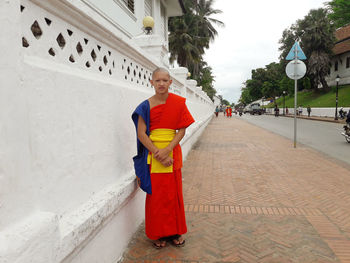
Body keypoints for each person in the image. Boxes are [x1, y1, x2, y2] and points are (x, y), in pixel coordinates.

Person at [132, 67, 194, 249]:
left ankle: (175, 232)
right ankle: (157, 234)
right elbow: (141, 134)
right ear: (151, 82)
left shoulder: (178, 103)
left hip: (172, 154)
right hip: (153, 157)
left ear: (170, 83)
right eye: (157, 80)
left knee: (173, 195)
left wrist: (168, 149)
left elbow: (182, 129)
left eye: (164, 80)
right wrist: (157, 153)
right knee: (157, 197)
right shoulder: (145, 106)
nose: (161, 84)